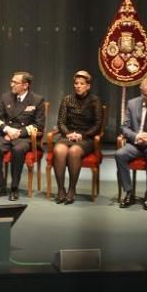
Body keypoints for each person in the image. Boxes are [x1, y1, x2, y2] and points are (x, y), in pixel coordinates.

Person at [0, 71, 46, 200]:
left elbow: (39, 125)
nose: (11, 84)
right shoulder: (6, 98)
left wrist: (18, 133)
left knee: (18, 150)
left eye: (15, 82)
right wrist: (7, 129)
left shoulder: (37, 100)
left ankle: (14, 188)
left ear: (25, 85)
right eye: (11, 81)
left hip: (24, 137)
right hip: (7, 134)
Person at [50, 70, 102, 204]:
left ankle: (72, 189)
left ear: (88, 86)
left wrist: (82, 135)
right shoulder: (67, 99)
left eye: (82, 83)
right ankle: (61, 189)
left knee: (74, 151)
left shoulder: (94, 100)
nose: (78, 86)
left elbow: (97, 124)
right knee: (59, 150)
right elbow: (61, 122)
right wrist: (68, 134)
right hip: (69, 134)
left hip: (86, 137)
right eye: (76, 83)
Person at [116, 76, 147, 210]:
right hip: (136, 144)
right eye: (146, 95)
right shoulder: (132, 104)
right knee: (120, 154)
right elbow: (124, 127)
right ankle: (129, 192)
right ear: (140, 90)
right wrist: (136, 135)